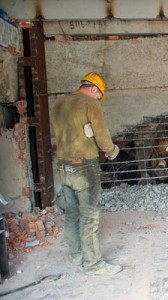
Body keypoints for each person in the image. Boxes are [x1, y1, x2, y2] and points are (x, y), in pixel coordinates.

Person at [51, 72, 122, 276]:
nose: (99, 98)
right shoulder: (91, 103)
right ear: (93, 89)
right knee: (90, 216)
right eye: (99, 94)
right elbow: (102, 135)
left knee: (72, 213)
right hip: (84, 167)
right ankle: (93, 264)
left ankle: (76, 255)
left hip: (64, 166)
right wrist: (111, 150)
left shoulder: (59, 103)